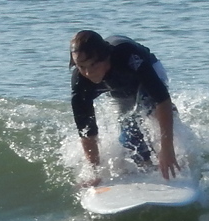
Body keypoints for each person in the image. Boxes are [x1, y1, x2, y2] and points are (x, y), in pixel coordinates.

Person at [69, 30, 180, 180]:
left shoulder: (127, 55)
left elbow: (162, 99)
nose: (88, 73)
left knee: (152, 111)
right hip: (118, 87)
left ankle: (173, 154)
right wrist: (94, 173)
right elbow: (87, 132)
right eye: (81, 66)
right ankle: (148, 167)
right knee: (129, 135)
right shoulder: (80, 82)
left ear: (105, 57)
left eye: (93, 64)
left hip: (148, 70)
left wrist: (167, 149)